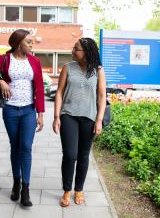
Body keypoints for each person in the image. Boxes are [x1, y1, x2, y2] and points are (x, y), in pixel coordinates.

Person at [0, 29, 45, 207]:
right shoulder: (4, 59)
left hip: (28, 111)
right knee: (15, 146)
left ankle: (26, 189)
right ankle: (16, 183)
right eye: (29, 42)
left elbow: (39, 88)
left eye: (32, 42)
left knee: (26, 147)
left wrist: (40, 114)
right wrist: (0, 81)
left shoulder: (35, 61)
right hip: (10, 110)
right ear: (18, 43)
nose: (32, 45)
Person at [52, 37, 106, 207]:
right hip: (69, 115)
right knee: (70, 155)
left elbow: (102, 96)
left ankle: (79, 189)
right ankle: (67, 190)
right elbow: (59, 92)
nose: (73, 51)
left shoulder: (98, 70)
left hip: (89, 118)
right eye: (73, 48)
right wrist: (56, 116)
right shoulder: (68, 67)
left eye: (76, 49)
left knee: (83, 156)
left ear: (87, 52)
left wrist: (99, 120)